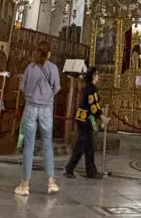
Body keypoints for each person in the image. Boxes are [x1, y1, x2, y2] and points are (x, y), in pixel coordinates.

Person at [16, 42, 61, 197]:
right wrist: (48, 97)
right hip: (46, 109)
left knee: (29, 145)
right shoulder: (53, 68)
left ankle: (25, 184)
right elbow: (57, 88)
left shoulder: (31, 67)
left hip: (31, 107)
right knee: (47, 144)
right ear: (48, 53)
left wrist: (32, 95)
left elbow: (22, 87)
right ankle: (51, 182)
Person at [64, 66, 105, 179]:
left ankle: (90, 171)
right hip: (85, 120)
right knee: (81, 145)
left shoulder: (90, 87)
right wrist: (102, 117)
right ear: (93, 76)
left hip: (84, 118)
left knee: (89, 147)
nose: (98, 77)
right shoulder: (91, 89)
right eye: (97, 75)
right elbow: (93, 106)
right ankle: (70, 168)